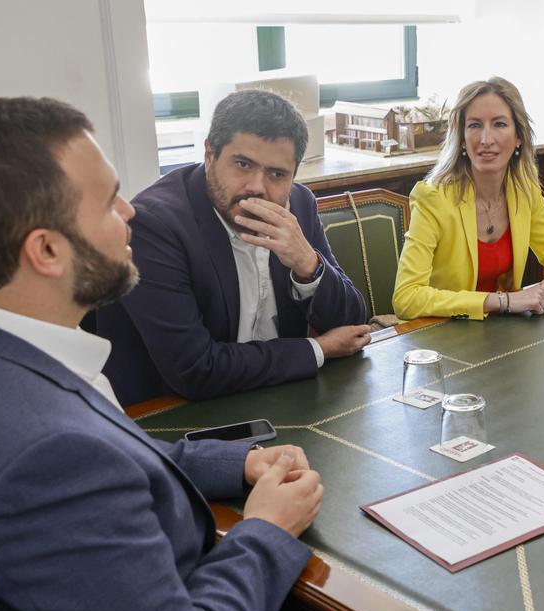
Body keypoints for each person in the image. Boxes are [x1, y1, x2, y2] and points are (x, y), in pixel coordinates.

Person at [0, 97, 323, 611]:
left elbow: (111, 455)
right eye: (107, 201)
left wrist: (237, 464)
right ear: (46, 250)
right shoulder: (46, 460)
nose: (131, 212)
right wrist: (267, 529)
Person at [97, 89, 370, 407]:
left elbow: (353, 324)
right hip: (173, 416)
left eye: (277, 174)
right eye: (243, 164)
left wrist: (307, 263)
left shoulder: (299, 205)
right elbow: (195, 370)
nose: (257, 186)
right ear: (209, 153)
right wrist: (318, 349)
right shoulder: (154, 225)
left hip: (276, 394)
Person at [392, 77, 544, 320]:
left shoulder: (523, 190)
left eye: (500, 124)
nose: (486, 139)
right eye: (474, 125)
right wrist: (503, 301)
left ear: (519, 137)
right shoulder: (433, 198)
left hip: (501, 333)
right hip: (440, 336)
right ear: (461, 139)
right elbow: (406, 298)